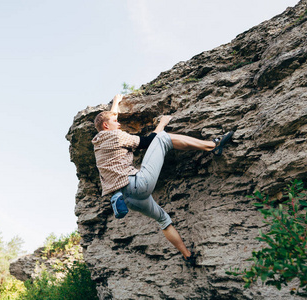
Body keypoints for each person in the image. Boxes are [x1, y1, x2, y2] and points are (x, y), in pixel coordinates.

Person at [92, 94, 234, 266]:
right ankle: (213, 146)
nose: (119, 123)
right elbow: (149, 141)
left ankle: (187, 256)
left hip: (128, 200)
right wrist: (162, 123)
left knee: (163, 220)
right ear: (107, 126)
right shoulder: (116, 136)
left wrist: (116, 103)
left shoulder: (98, 143)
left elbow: (107, 120)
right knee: (162, 138)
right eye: (116, 122)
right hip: (137, 185)